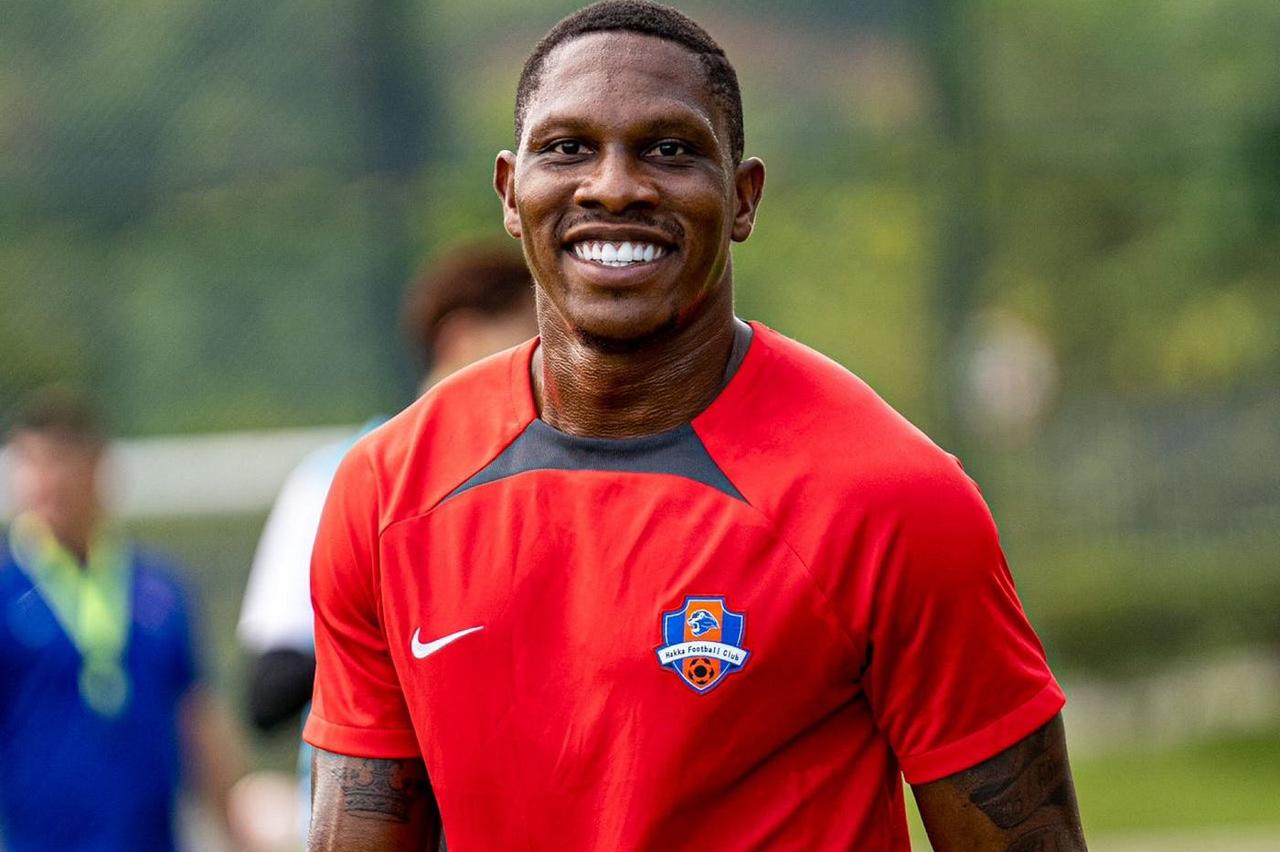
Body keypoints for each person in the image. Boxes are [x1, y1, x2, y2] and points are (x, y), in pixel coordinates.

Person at [303, 2, 1088, 850]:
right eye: (567, 148)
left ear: (743, 199)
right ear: (509, 192)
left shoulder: (891, 498)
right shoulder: (387, 492)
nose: (613, 187)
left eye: (670, 150)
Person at [234, 243, 536, 835]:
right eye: (531, 337)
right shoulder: (342, 478)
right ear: (462, 339)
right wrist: (402, 629)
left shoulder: (545, 479)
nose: (550, 361)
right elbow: (266, 696)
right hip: (371, 824)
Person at [0, 387, 246, 852]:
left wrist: (236, 833)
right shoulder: (7, 592)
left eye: (58, 461)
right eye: (29, 463)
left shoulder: (160, 588)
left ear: (97, 467)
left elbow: (198, 716)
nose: (45, 481)